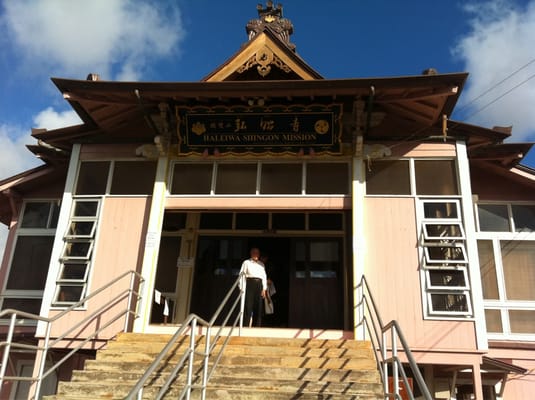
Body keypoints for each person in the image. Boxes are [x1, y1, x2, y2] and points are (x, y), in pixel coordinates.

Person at [240, 247, 267, 327]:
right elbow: (242, 275)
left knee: (258, 307)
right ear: (251, 253)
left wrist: (264, 289)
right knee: (248, 306)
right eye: (254, 252)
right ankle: (245, 326)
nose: (256, 254)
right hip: (249, 284)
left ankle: (256, 327)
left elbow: (264, 277)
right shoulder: (246, 263)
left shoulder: (261, 264)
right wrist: (241, 287)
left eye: (257, 253)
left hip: (259, 285)